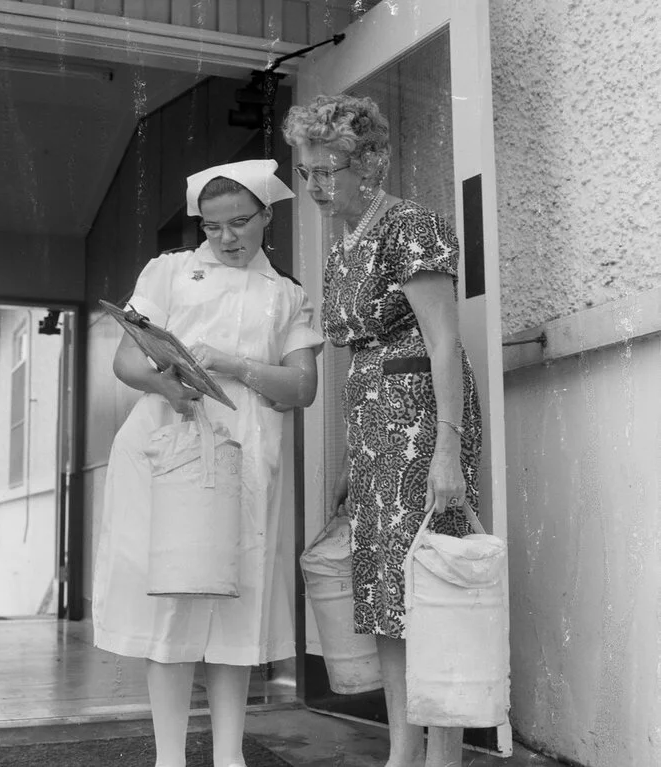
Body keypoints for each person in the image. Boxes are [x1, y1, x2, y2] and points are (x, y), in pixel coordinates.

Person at [92, 159, 323, 767]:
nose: (226, 237)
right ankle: (170, 757)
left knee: (236, 606)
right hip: (170, 445)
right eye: (213, 225)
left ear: (268, 217)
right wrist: (170, 388)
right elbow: (128, 361)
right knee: (174, 599)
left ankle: (230, 757)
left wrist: (232, 363)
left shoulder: (288, 295)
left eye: (241, 223)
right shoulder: (169, 272)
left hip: (247, 453)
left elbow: (301, 387)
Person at [283, 95, 482, 767]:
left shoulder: (411, 226)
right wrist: (348, 454)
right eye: (306, 170)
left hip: (424, 419)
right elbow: (358, 356)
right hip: (371, 429)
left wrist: (448, 449)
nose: (314, 184)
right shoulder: (341, 244)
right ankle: (403, 749)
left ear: (372, 160)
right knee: (383, 594)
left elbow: (444, 343)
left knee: (430, 589)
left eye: (327, 168)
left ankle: (444, 755)